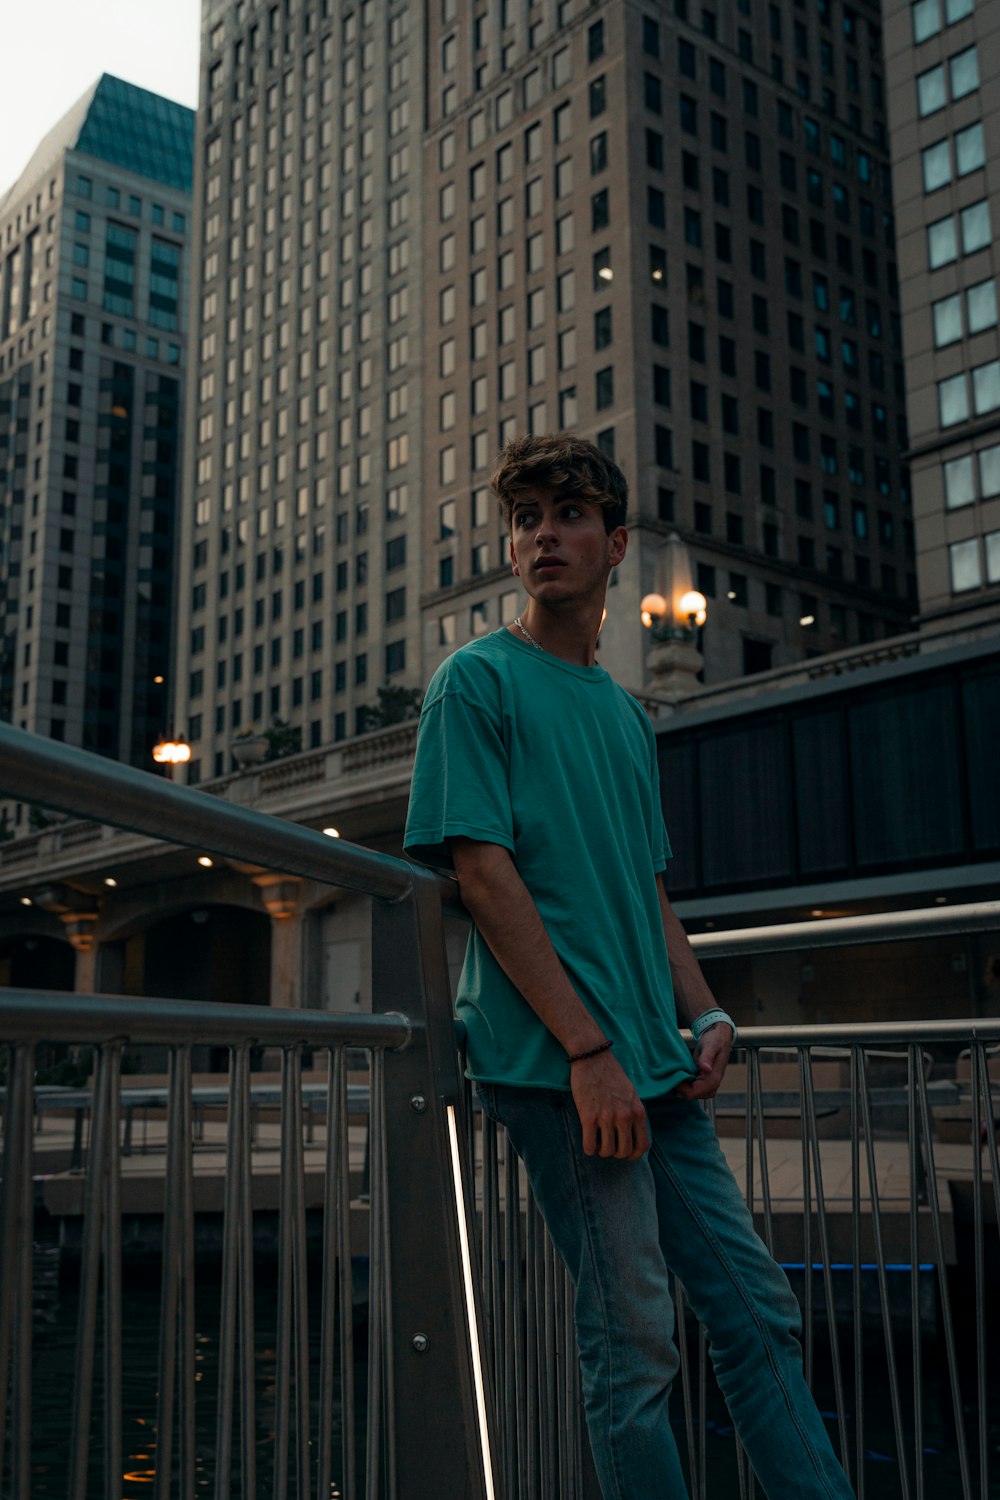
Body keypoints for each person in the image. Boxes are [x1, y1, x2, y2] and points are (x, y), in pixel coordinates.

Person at [403, 434, 855, 1500]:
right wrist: (587, 1049)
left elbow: (644, 893)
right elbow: (482, 873)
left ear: (615, 546)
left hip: (653, 1064)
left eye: (565, 514)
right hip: (565, 1070)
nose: (540, 536)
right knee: (637, 1347)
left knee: (757, 1316)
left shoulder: (620, 712)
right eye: (523, 519)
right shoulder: (473, 684)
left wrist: (707, 1016)